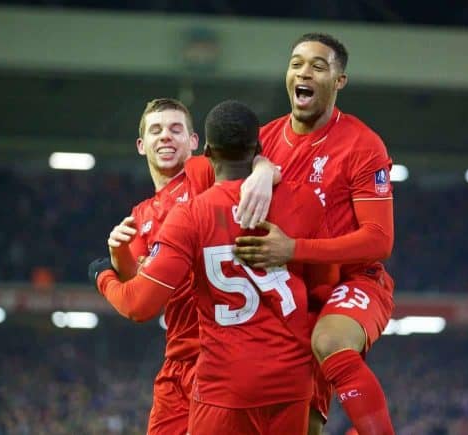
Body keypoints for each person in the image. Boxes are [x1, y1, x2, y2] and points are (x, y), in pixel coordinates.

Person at [89, 99, 336, 434]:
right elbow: (142, 289)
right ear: (140, 144)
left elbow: (246, 153)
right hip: (182, 360)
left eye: (176, 129)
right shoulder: (140, 216)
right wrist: (119, 259)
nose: (165, 137)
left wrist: (263, 170)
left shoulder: (202, 179)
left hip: (220, 360)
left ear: (196, 144)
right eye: (156, 130)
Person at [233, 33, 395, 435]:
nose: (303, 72)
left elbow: (379, 239)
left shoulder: (363, 145)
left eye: (318, 66)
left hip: (354, 280)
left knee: (330, 341)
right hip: (290, 296)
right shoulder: (263, 142)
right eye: (296, 63)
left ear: (339, 81)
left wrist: (292, 249)